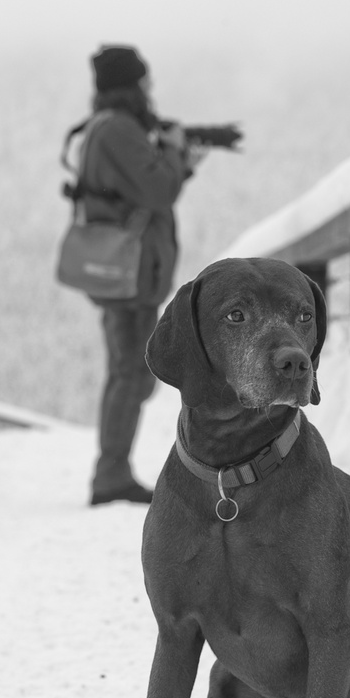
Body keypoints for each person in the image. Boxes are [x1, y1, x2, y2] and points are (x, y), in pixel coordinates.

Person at [79, 44, 205, 506]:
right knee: (132, 371)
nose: (151, 89)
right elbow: (157, 189)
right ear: (131, 86)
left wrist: (179, 165)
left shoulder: (109, 128)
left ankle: (111, 468)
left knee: (129, 370)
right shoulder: (118, 130)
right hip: (131, 273)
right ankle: (110, 473)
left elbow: (143, 186)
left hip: (127, 269)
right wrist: (173, 154)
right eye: (144, 81)